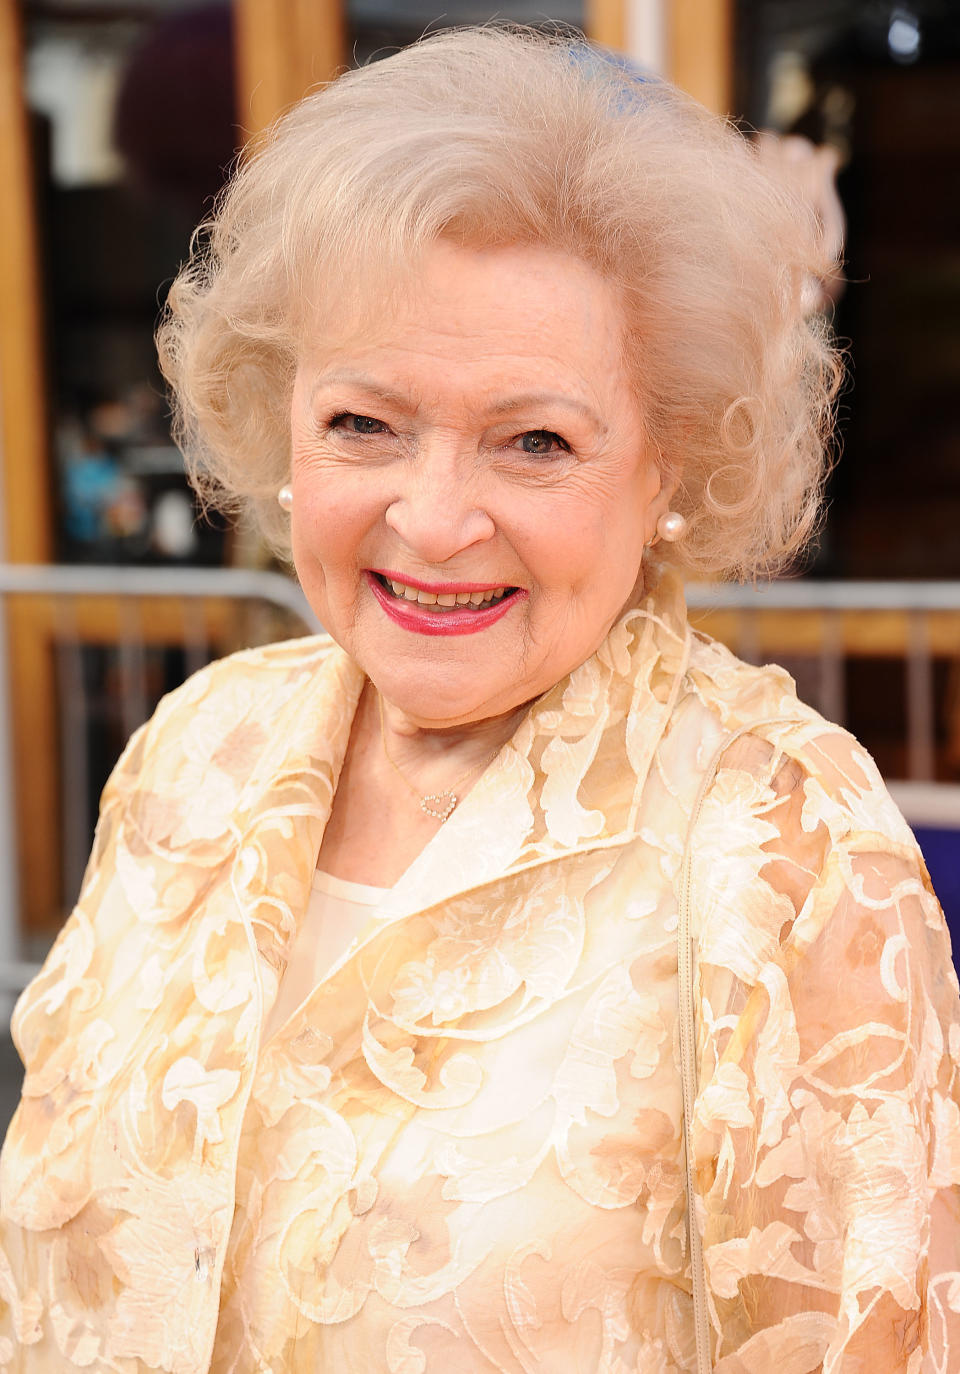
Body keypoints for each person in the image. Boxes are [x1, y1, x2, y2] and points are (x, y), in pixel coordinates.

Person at [2, 26, 958, 1373]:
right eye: (364, 423)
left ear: (667, 466)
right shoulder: (194, 756)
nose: (435, 519)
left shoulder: (787, 848)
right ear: (282, 420)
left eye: (536, 441)